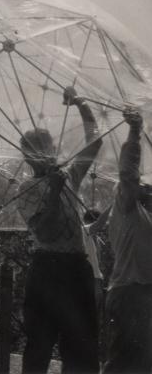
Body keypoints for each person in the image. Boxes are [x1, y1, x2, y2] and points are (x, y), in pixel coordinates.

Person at [17, 86, 102, 373]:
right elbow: (46, 232)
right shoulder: (26, 188)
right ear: (27, 156)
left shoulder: (70, 177)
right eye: (35, 149)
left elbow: (95, 142)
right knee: (40, 343)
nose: (43, 152)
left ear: (53, 149)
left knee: (83, 343)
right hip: (48, 267)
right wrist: (53, 192)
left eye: (47, 146)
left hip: (77, 265)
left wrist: (81, 103)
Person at [103, 107, 152, 374]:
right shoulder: (127, 209)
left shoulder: (144, 217)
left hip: (142, 293)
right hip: (130, 292)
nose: (147, 187)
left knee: (142, 364)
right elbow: (128, 174)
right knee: (124, 362)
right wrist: (135, 132)